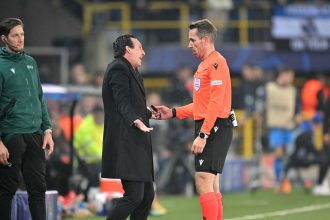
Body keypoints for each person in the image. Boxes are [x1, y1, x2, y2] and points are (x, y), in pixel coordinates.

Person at [155, 19, 233, 220]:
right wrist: (173, 112)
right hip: (211, 124)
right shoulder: (204, 65)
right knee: (211, 182)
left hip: (214, 126)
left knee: (202, 179)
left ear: (205, 39)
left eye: (192, 40)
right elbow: (202, 105)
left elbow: (215, 103)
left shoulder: (216, 62)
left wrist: (203, 134)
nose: (189, 45)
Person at [0, 18, 54, 220]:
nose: (20, 38)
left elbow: (39, 98)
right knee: (6, 192)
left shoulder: (31, 62)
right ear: (4, 38)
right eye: (15, 35)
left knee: (38, 190)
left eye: (22, 34)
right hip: (11, 135)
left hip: (35, 135)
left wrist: (47, 130)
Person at [101, 34, 155, 220]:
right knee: (134, 196)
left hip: (135, 142)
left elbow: (131, 103)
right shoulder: (118, 68)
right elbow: (121, 101)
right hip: (126, 142)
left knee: (147, 196)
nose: (143, 52)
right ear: (128, 49)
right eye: (140, 47)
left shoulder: (130, 69)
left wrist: (148, 112)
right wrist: (135, 120)